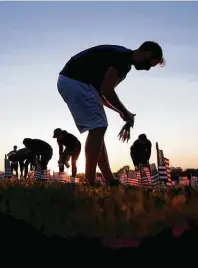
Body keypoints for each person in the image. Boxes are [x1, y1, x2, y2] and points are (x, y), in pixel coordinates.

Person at [57, 41, 164, 185]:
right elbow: (106, 90)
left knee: (98, 130)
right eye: (149, 64)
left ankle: (109, 180)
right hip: (75, 80)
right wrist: (124, 111)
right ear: (146, 53)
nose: (147, 69)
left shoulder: (123, 60)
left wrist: (121, 112)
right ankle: (90, 180)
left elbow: (102, 95)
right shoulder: (123, 60)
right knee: (98, 127)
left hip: (73, 81)